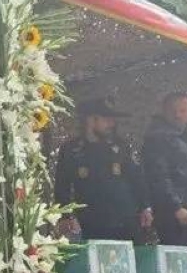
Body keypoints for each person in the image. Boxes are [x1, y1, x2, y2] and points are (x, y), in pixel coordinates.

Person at [54, 98, 152, 242]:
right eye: (106, 119)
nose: (111, 124)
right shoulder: (72, 150)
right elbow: (62, 186)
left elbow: (137, 178)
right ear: (90, 120)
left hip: (125, 221)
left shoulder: (121, 146)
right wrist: (65, 216)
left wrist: (145, 207)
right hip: (91, 222)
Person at [142, 92, 187, 261]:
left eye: (182, 110)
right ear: (164, 111)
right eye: (173, 110)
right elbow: (158, 177)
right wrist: (176, 207)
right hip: (174, 215)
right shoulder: (158, 139)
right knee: (177, 265)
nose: (177, 115)